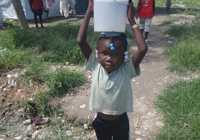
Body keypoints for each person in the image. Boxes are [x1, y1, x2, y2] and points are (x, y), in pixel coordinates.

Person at [77, 0, 147, 139]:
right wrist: (89, 12)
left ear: (124, 56)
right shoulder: (95, 65)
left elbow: (143, 48)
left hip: (121, 122)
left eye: (115, 54)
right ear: (97, 54)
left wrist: (131, 20)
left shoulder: (126, 69)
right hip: (101, 122)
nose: (109, 58)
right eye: (105, 53)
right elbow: (80, 40)